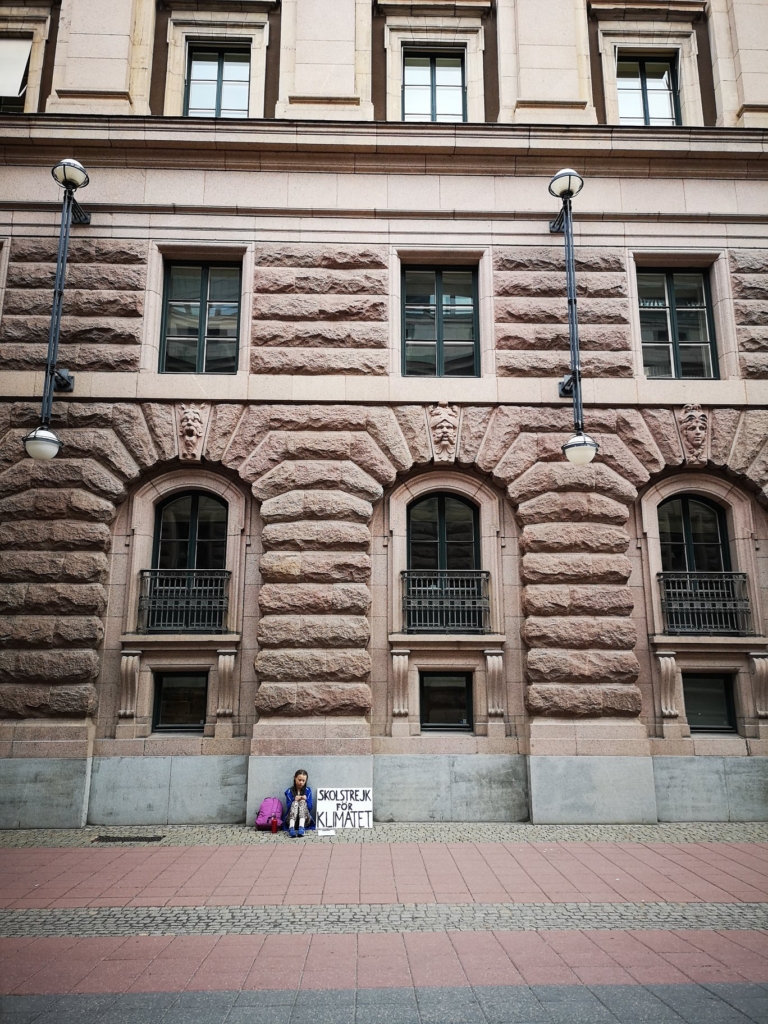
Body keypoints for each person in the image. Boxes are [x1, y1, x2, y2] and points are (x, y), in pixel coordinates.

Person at [284, 769, 313, 837]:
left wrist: (306, 800)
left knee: (302, 802)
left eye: (303, 781)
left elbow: (310, 807)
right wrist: (294, 800)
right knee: (295, 803)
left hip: (305, 820)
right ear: (295, 778)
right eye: (299, 780)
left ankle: (301, 828)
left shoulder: (308, 790)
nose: (301, 782)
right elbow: (288, 808)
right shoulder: (289, 791)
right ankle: (291, 828)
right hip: (290, 819)